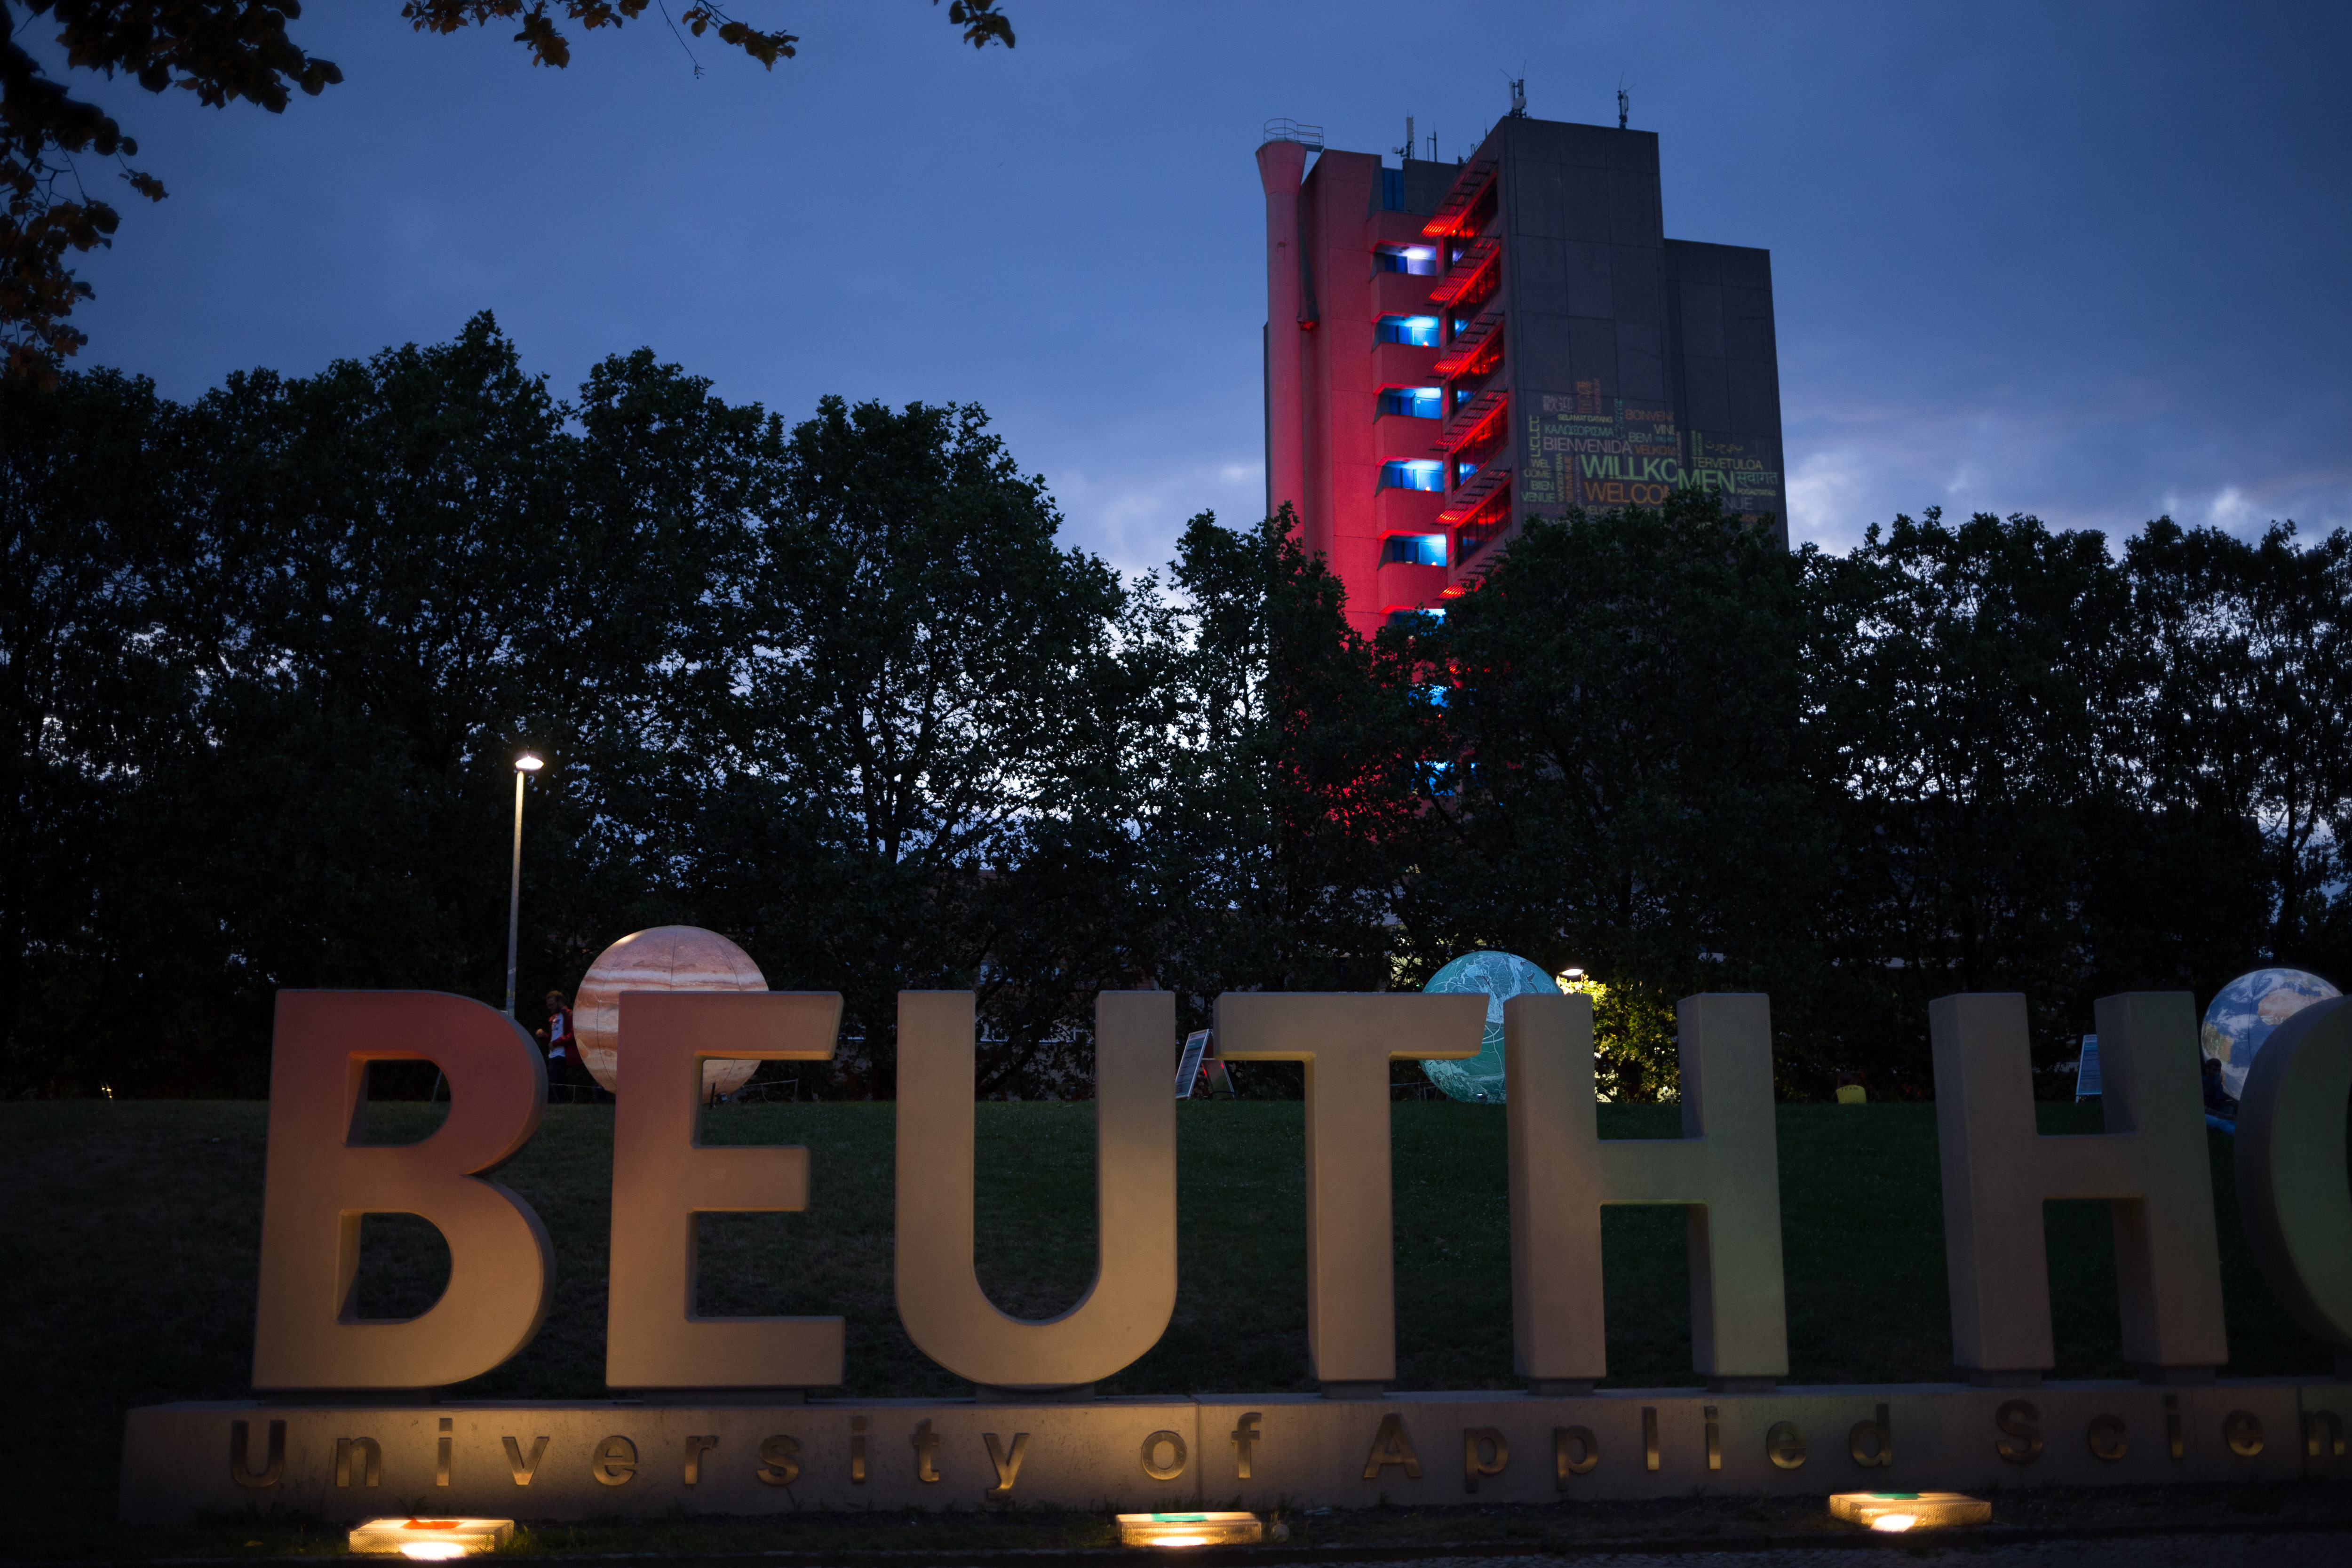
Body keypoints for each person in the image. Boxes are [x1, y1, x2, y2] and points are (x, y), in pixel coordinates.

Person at [536, 989, 579, 1101]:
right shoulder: (554, 1018)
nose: (550, 1007)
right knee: (555, 1083)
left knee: (554, 1082)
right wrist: (543, 1036)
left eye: (552, 1004)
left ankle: (555, 1105)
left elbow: (573, 1034)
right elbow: (551, 1039)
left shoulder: (569, 1015)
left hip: (563, 1055)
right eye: (548, 1005)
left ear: (559, 1002)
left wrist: (556, 1043)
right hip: (553, 1055)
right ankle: (559, 1105)